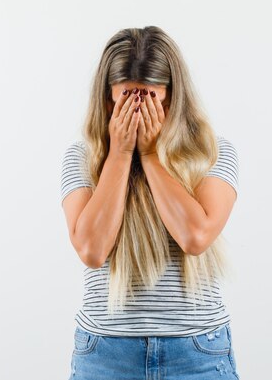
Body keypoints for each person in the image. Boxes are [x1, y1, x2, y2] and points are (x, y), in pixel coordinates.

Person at [60, 26, 241, 380]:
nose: (137, 110)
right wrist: (121, 153)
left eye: (150, 97)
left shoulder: (213, 154)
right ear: (108, 98)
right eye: (127, 98)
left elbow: (195, 236)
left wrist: (151, 155)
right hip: (106, 353)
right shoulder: (82, 158)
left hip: (198, 353)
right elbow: (92, 249)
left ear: (172, 98)